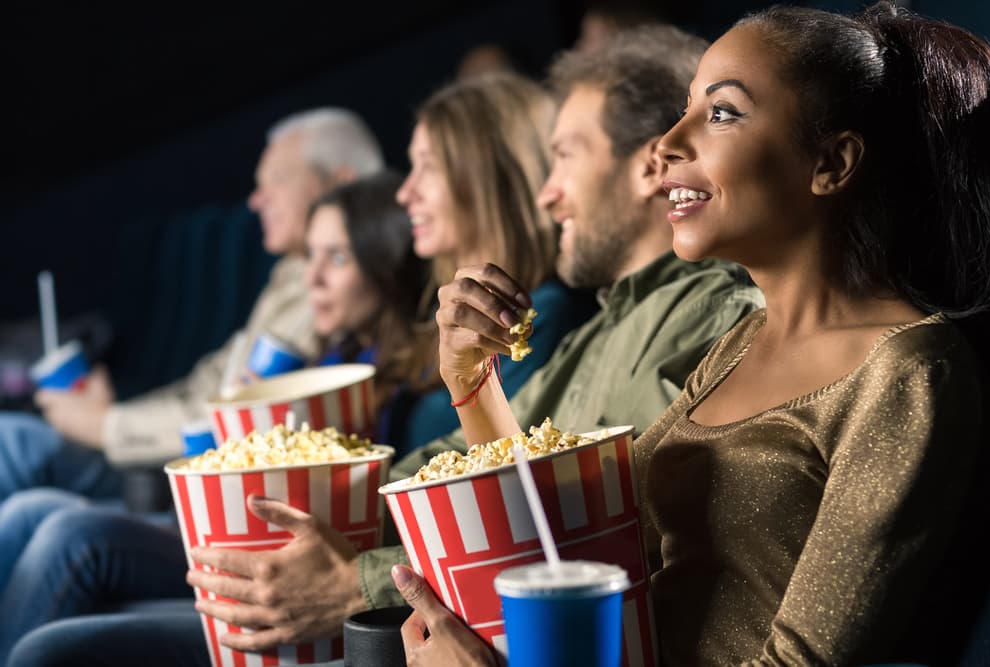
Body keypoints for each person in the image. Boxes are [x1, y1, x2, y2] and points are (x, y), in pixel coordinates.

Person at [4, 24, 765, 666]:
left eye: (563, 156)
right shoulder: (600, 322)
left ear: (647, 168)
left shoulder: (688, 313)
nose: (546, 189)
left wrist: (355, 576)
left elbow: (587, 522)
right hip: (418, 600)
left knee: (62, 585)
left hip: (445, 621)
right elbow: (481, 469)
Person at [389, 3, 990, 666]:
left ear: (832, 162)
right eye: (685, 109)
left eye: (723, 113)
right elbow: (566, 549)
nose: (668, 143)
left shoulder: (911, 371)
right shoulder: (740, 343)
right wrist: (472, 381)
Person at [0, 171, 438, 662]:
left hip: (281, 546)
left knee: (62, 534)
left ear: (384, 262)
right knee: (29, 507)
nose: (311, 278)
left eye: (336, 258)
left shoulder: (401, 380)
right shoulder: (328, 349)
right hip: (230, 522)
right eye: (309, 256)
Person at [0, 108, 384, 502]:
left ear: (342, 185)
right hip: (177, 457)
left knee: (16, 455)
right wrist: (110, 414)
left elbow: (243, 418)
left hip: (204, 476)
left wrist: (106, 425)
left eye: (276, 181)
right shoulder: (291, 272)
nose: (255, 200)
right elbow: (211, 383)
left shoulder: (339, 295)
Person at [391, 70, 596, 457]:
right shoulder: (442, 315)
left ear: (489, 178)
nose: (406, 192)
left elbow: (502, 462)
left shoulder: (541, 318)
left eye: (428, 167)